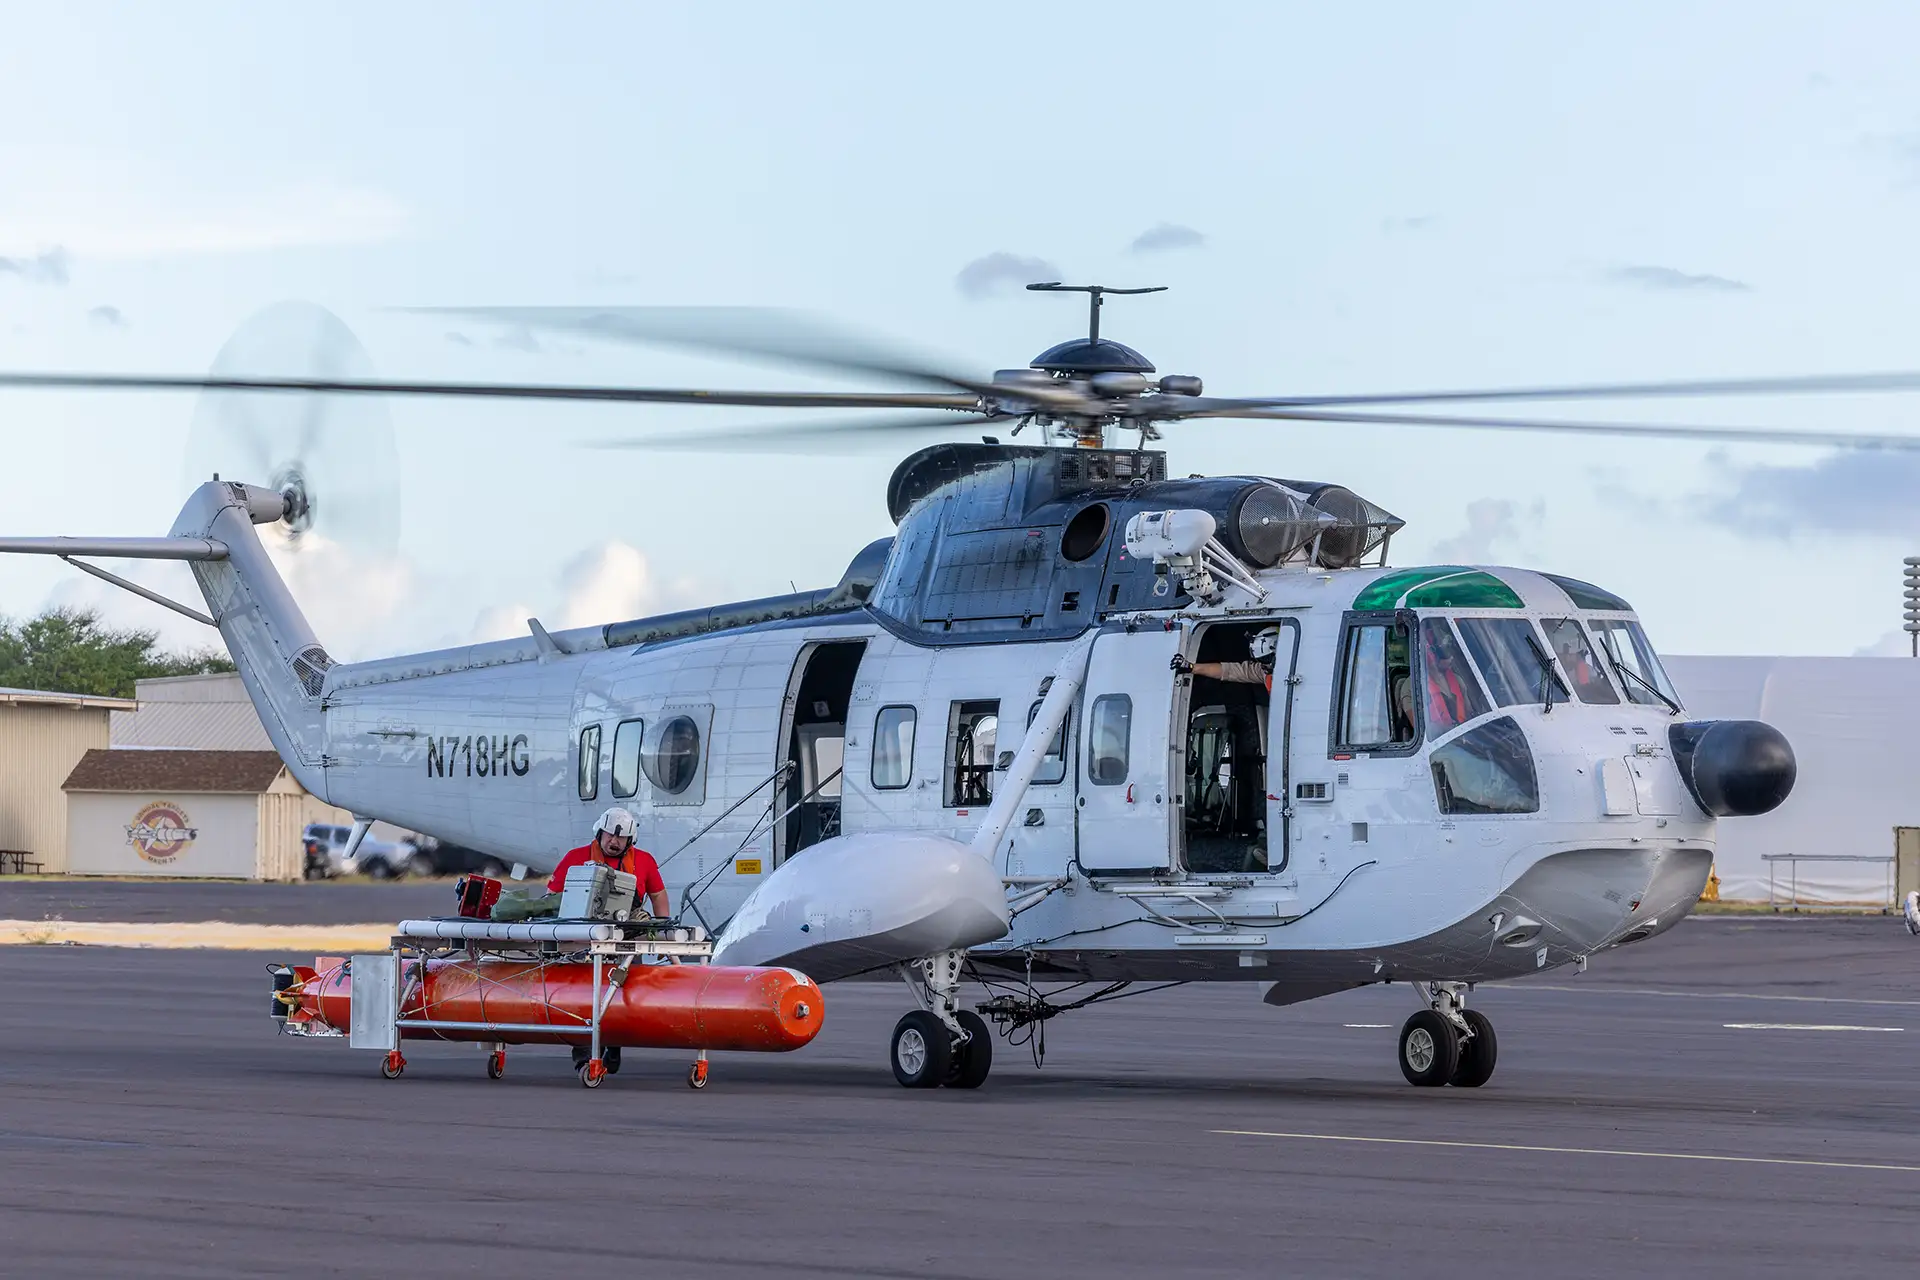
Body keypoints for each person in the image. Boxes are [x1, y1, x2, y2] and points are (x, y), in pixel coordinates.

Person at [548, 806, 669, 919]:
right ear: (600, 833)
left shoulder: (645, 860)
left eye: (621, 837)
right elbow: (551, 897)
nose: (614, 841)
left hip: (629, 926)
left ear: (629, 840)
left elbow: (658, 896)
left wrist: (664, 926)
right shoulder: (574, 858)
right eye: (610, 835)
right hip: (583, 926)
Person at [1172, 627, 1280, 690]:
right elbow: (1230, 671)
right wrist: (1191, 667)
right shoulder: (1263, 671)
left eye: (1266, 660)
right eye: (1261, 661)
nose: (1264, 666)